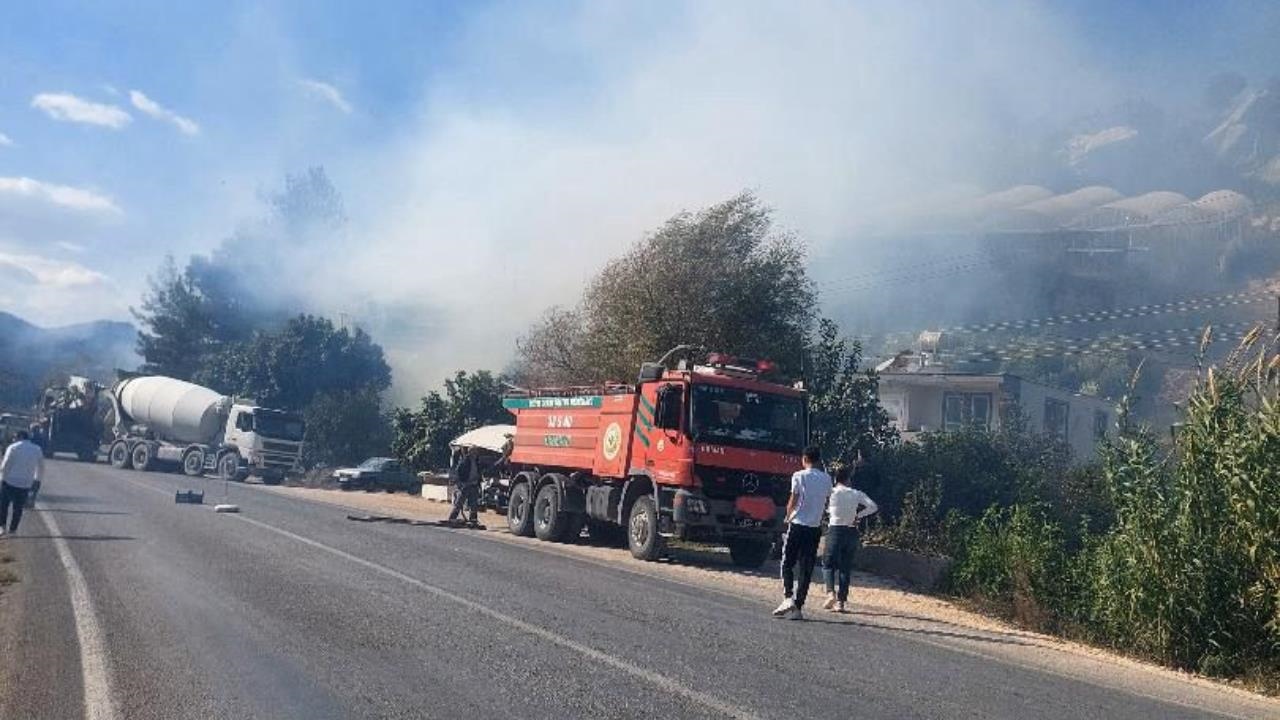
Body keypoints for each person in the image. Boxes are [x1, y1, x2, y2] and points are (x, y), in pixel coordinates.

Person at [772, 445, 832, 620]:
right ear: (819, 460)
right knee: (807, 567)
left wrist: (787, 515)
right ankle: (798, 606)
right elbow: (827, 499)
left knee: (787, 562)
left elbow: (794, 498)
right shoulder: (827, 479)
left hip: (798, 524)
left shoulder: (798, 476)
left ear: (805, 459)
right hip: (814, 527)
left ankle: (787, 597)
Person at [821, 463, 878, 613]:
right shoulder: (856, 493)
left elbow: (824, 507)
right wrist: (857, 516)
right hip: (851, 531)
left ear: (835, 479)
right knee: (845, 568)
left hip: (835, 529)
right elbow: (873, 506)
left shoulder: (831, 492)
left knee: (828, 563)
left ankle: (830, 592)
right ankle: (841, 601)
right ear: (848, 479)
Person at [1, 430, 46, 537]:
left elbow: (6, 464)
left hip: (9, 481)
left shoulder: (13, 447)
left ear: (20, 436)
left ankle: (2, 527)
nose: (13, 439)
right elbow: (41, 467)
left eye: (15, 437)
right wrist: (37, 480)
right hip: (26, 483)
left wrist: (2, 477)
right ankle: (13, 530)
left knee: (3, 505)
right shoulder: (37, 449)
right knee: (18, 508)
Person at [446, 447, 481, 527]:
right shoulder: (465, 461)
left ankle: (473, 520)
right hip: (465, 485)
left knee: (474, 504)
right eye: (474, 452)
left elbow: (479, 471)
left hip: (474, 485)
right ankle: (452, 518)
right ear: (470, 452)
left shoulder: (477, 461)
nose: (476, 454)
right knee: (459, 502)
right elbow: (459, 472)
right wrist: (460, 483)